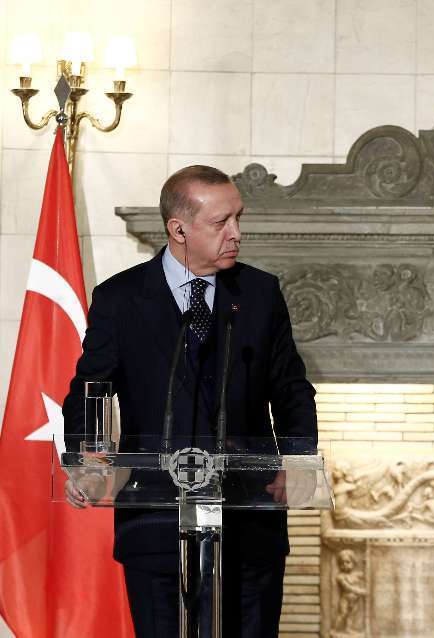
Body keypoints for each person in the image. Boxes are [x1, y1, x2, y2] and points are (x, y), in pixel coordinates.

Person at [62, 165, 318, 638]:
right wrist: (87, 458)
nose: (236, 233)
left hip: (248, 520)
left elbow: (290, 388)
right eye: (221, 222)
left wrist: (299, 457)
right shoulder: (120, 298)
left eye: (238, 218)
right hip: (155, 521)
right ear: (178, 229)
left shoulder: (260, 293)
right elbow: (89, 389)